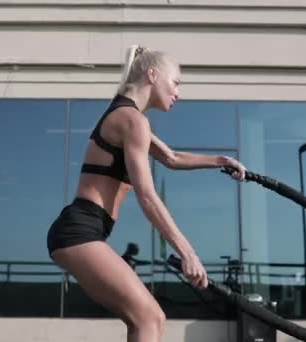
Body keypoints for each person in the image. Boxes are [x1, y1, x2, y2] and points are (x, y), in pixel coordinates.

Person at [46, 44, 247, 342]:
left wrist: (220, 161)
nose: (178, 92)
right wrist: (187, 252)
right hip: (79, 232)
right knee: (150, 319)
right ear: (152, 75)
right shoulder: (131, 120)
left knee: (143, 320)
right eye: (175, 83)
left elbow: (172, 158)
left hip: (83, 231)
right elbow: (148, 196)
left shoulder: (129, 117)